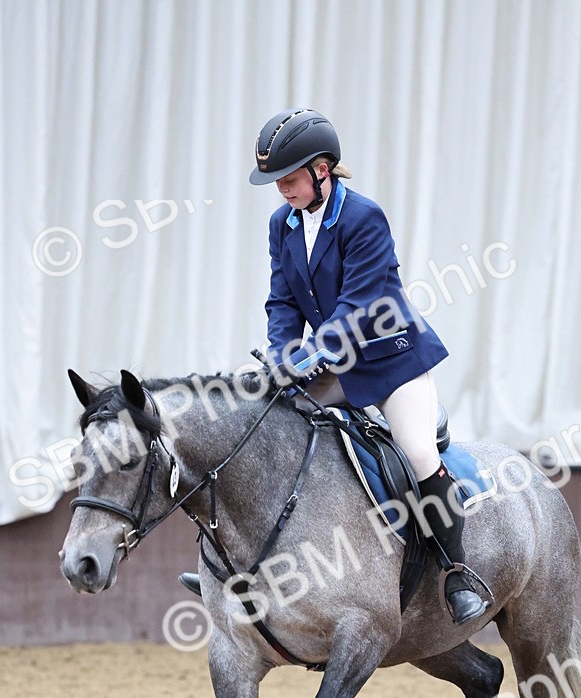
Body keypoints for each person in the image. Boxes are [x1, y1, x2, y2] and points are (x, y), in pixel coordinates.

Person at [184, 107, 487, 625]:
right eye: (277, 180)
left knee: (417, 451)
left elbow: (359, 305)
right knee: (260, 423)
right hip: (332, 367)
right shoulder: (282, 224)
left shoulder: (364, 218)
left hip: (390, 362)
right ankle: (237, 567)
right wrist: (282, 355)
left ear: (322, 170)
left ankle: (456, 572)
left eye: (290, 178)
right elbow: (282, 302)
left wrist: (311, 356)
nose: (282, 188)